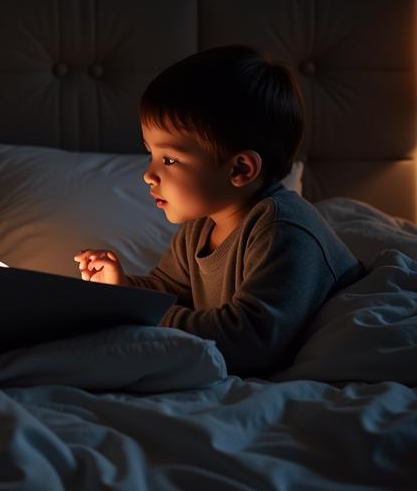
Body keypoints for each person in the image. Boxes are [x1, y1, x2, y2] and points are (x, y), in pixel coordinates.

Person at [73, 45, 361, 377]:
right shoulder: (200, 229)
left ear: (240, 169)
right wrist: (120, 286)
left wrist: (133, 309)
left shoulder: (282, 230)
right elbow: (169, 292)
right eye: (150, 153)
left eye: (169, 159)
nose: (148, 174)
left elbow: (251, 341)